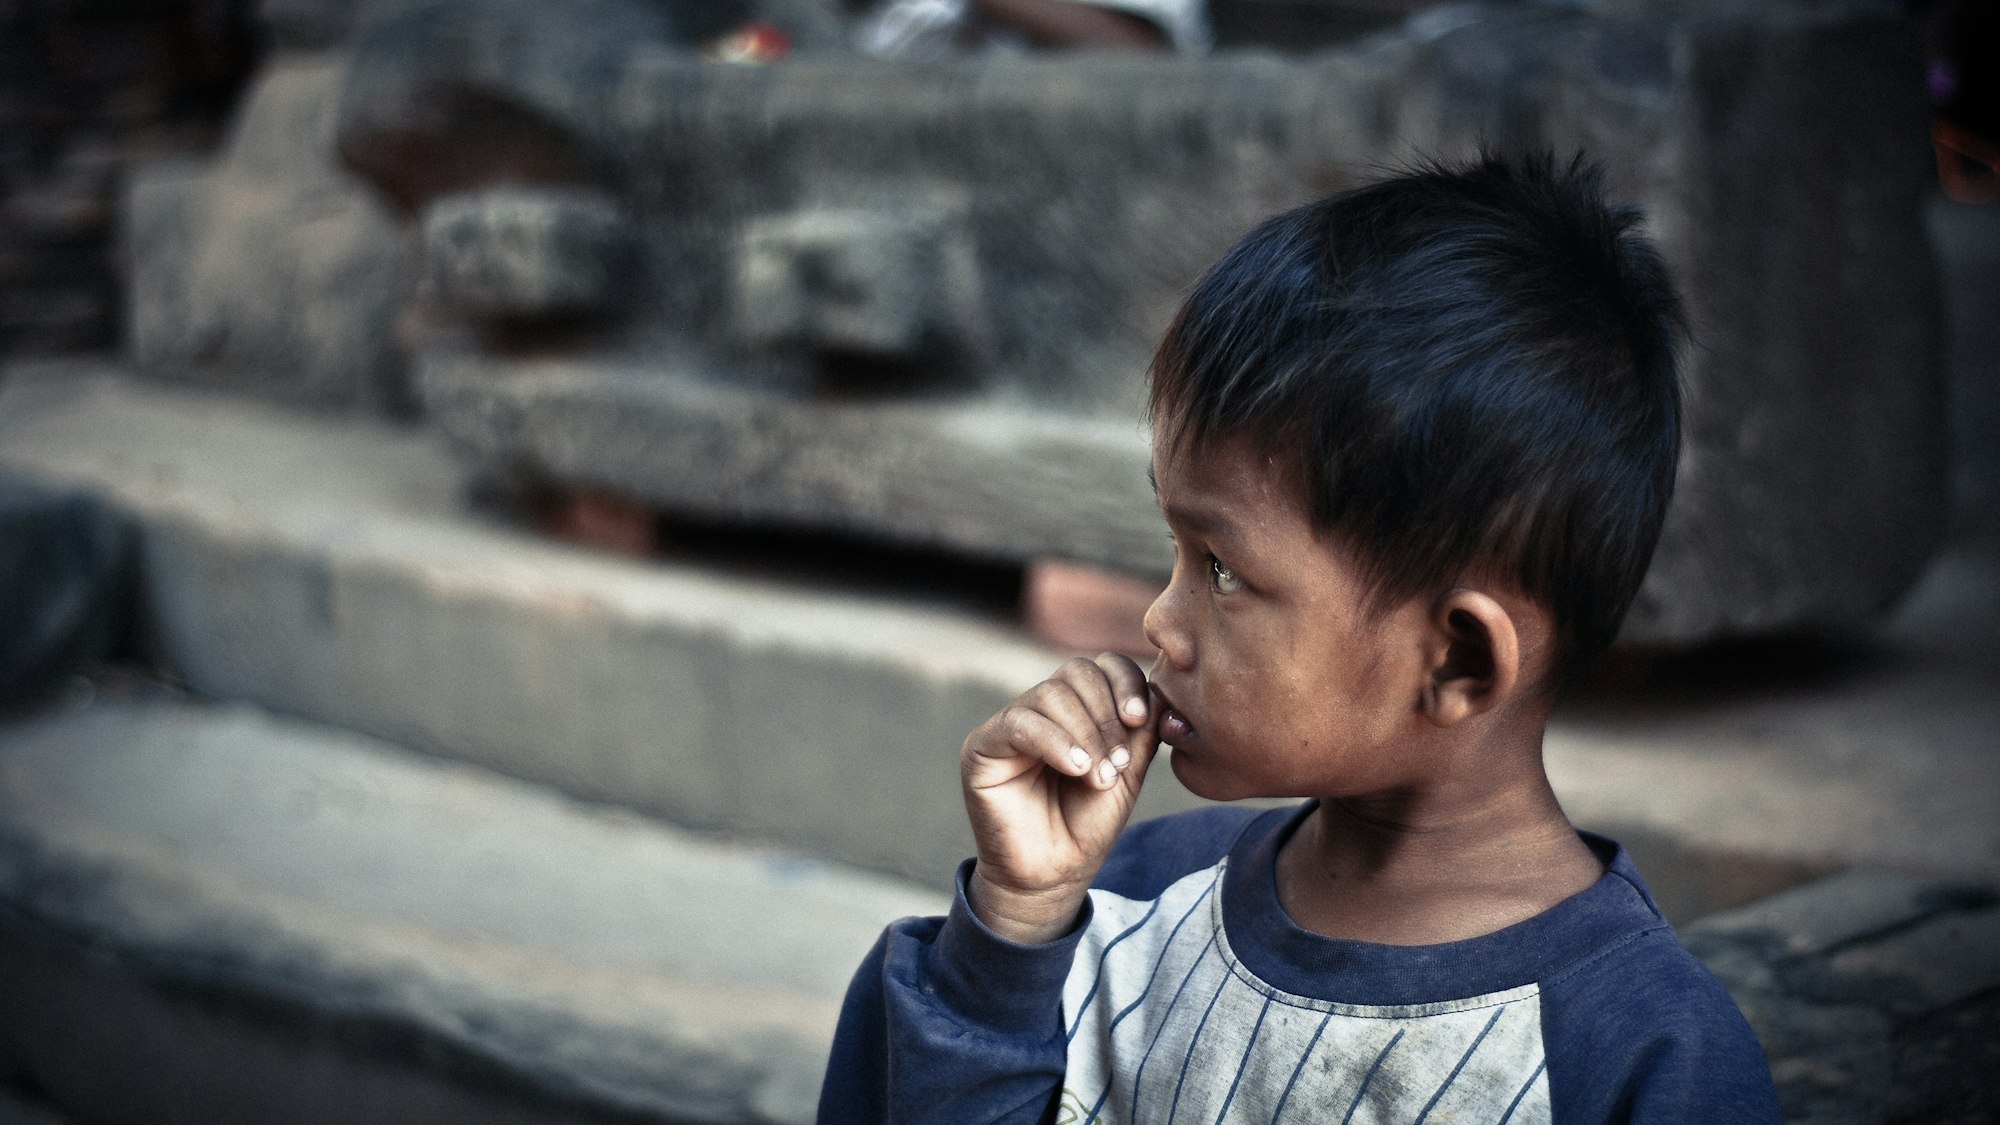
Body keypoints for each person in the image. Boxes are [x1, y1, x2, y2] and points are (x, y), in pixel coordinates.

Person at [818, 152, 1782, 1124]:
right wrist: (1010, 935)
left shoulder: (1635, 1059)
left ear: (1453, 658)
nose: (1158, 620)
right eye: (1177, 550)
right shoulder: (1123, 903)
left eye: (1224, 571)